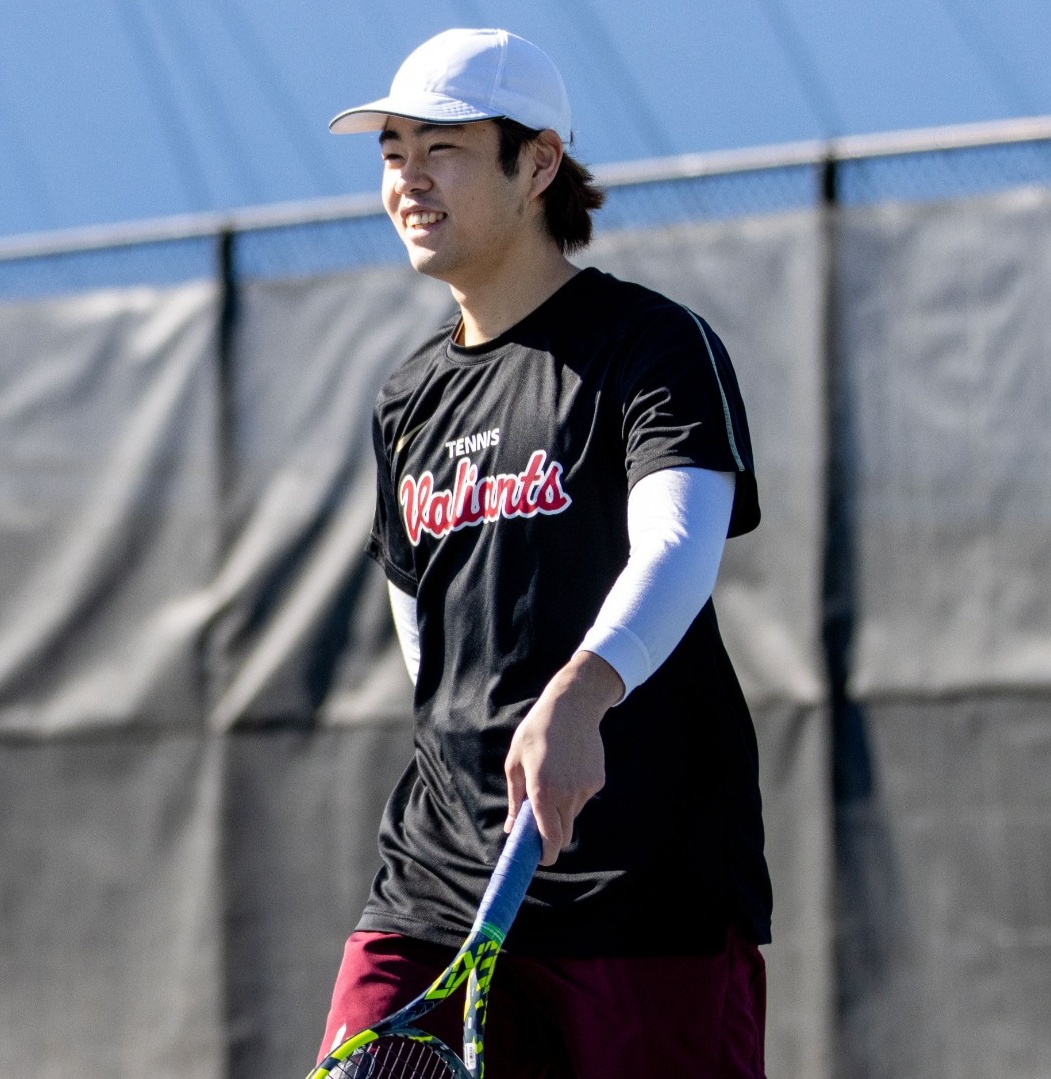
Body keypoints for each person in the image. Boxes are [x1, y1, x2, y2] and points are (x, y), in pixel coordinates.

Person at [317, 28, 771, 1079]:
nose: (407, 180)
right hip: (434, 884)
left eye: (443, 149)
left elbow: (678, 539)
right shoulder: (403, 399)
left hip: (642, 889)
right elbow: (423, 650)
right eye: (391, 151)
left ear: (538, 164)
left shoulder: (651, 345)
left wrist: (583, 691)